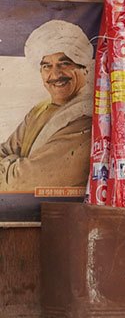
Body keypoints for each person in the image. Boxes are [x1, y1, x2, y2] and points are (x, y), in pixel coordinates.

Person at [1, 20, 95, 192]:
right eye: (47, 66)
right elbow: (5, 150)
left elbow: (20, 181)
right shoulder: (39, 110)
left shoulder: (86, 116)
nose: (55, 74)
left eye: (65, 64)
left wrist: (12, 162)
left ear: (85, 68)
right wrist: (14, 162)